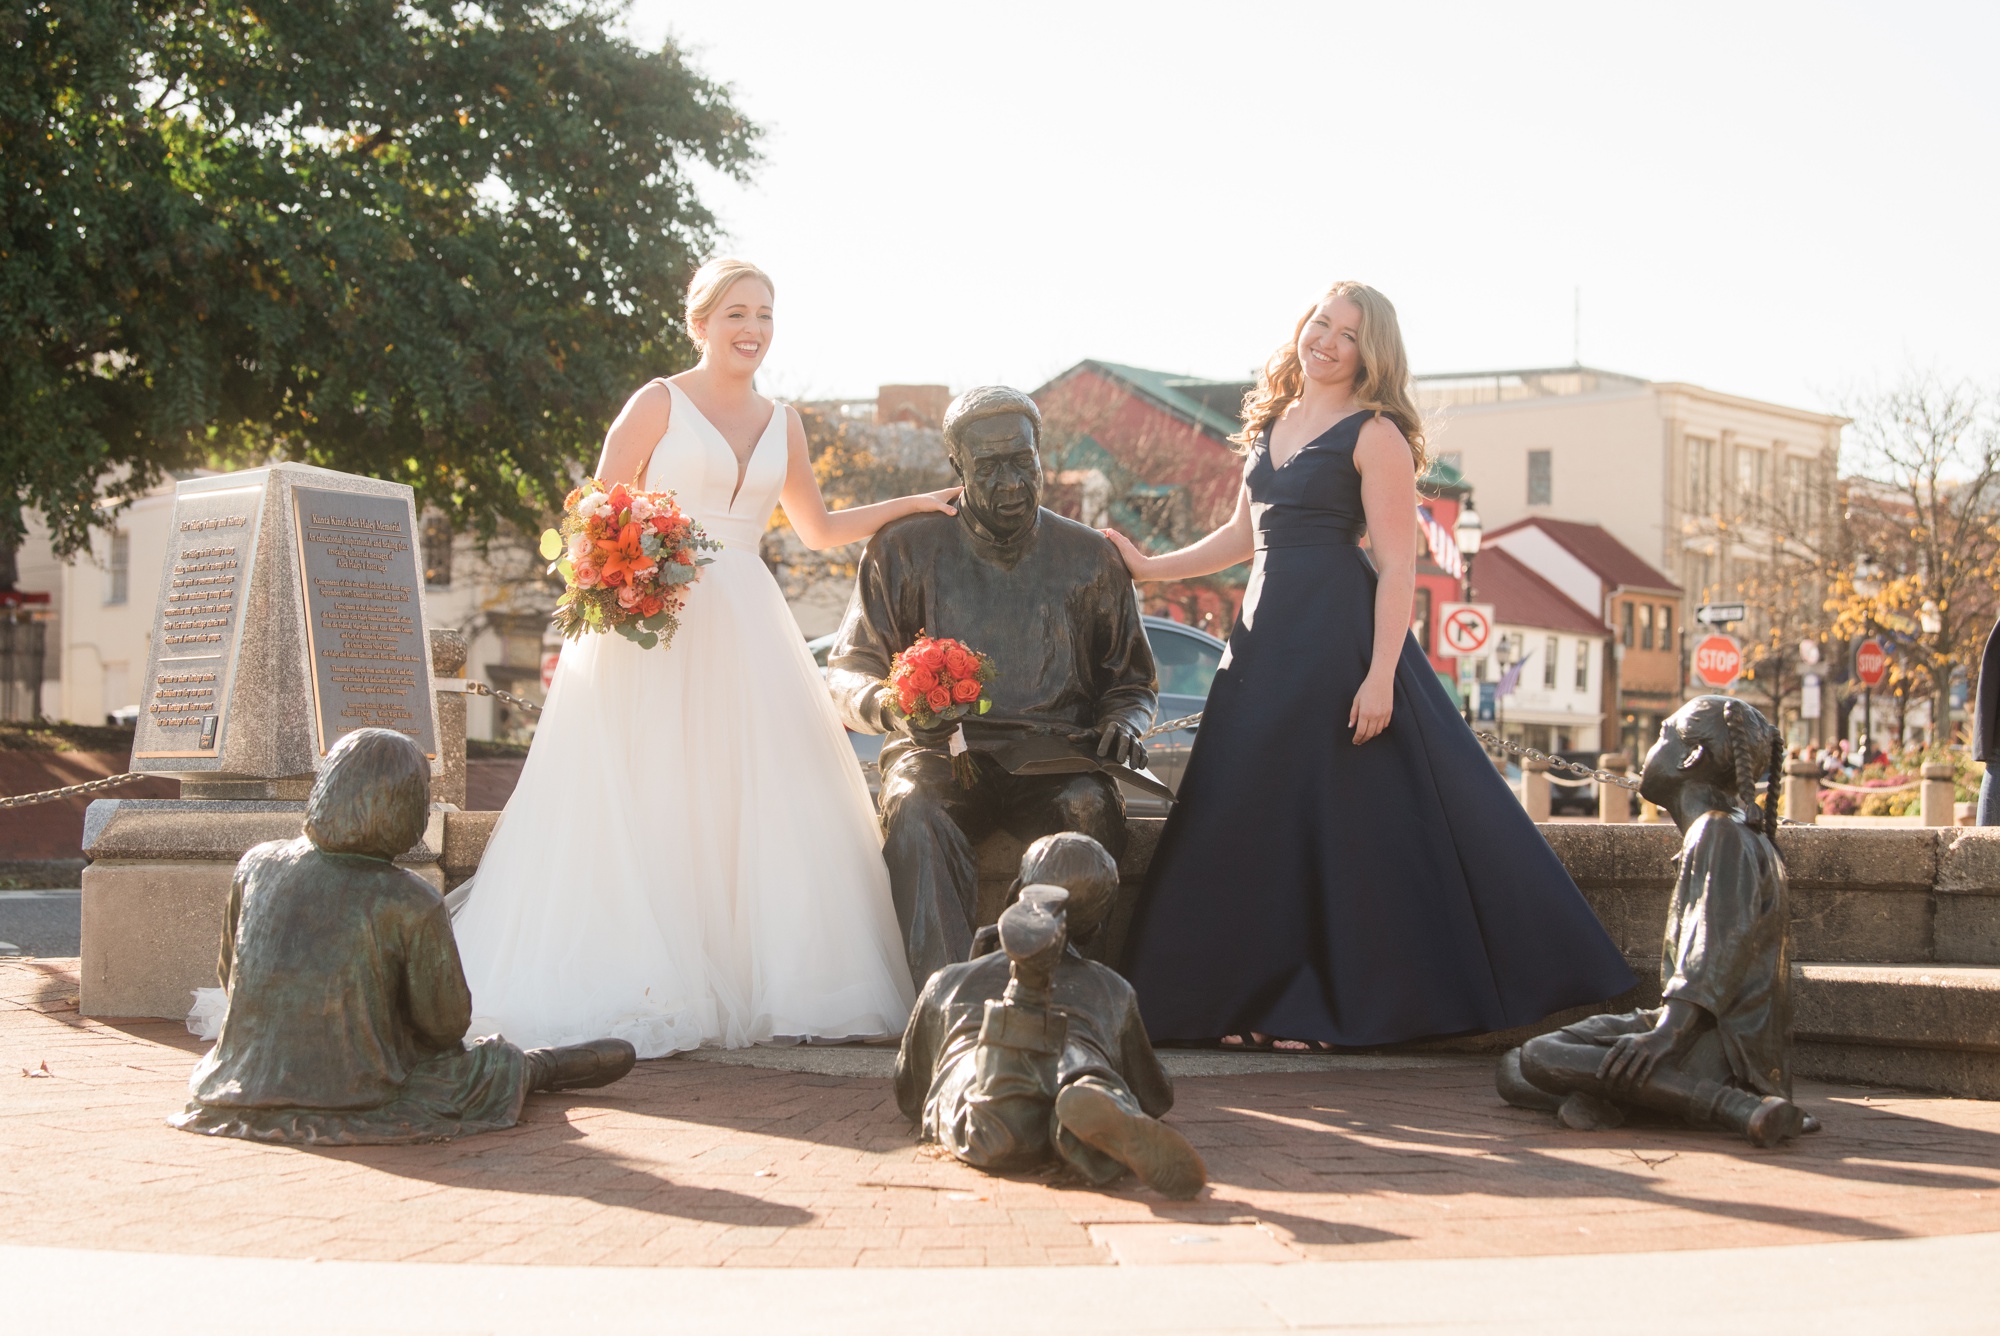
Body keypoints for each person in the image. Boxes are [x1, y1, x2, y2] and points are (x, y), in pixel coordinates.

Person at [447, 259, 959, 1057]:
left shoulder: (784, 420)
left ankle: (768, 983)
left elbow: (816, 527)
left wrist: (916, 503)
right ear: (700, 323)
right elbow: (590, 517)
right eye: (736, 315)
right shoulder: (657, 402)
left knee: (754, 792)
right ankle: (644, 979)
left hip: (749, 620)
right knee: (652, 786)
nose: (752, 329)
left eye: (764, 315)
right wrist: (633, 568)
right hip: (655, 623)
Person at [1106, 281, 1634, 1049]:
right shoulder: (1274, 422)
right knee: (1239, 816)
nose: (1325, 340)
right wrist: (1150, 569)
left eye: (1346, 334)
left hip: (1334, 641)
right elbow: (1241, 536)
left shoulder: (1375, 434)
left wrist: (1382, 673)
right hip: (1260, 644)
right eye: (1319, 322)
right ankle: (1233, 1004)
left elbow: (1395, 565)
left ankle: (1313, 1011)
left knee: (1328, 827)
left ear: (1369, 352)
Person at [827, 386, 1158, 988]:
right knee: (915, 810)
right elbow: (849, 669)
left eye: (1022, 461)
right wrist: (892, 706)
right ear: (957, 466)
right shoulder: (901, 549)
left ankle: (1054, 993)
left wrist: (1124, 723)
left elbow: (1131, 683)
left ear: (1041, 454)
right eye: (989, 466)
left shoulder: (1089, 558)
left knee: (1088, 805)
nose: (1011, 482)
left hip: (1054, 758)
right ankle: (950, 1000)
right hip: (938, 754)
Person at [174, 729, 636, 1145]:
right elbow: (444, 1026)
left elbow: (230, 974)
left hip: (236, 1079)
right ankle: (536, 1067)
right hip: (353, 1092)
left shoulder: (256, 863)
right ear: (406, 803)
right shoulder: (409, 898)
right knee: (486, 1064)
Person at [1496, 697, 1815, 1148]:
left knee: (1540, 1057)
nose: (1651, 746)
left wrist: (1666, 1035)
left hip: (1718, 1047)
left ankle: (1731, 1106)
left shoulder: (1717, 832)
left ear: (1691, 757)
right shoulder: (1734, 832)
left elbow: (1718, 947)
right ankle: (1643, 1099)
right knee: (1514, 1068)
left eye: (1663, 735)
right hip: (1693, 1030)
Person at [894, 833, 1204, 1198]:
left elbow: (909, 1092)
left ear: (1013, 895)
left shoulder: (949, 982)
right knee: (1086, 1066)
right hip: (1074, 1053)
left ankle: (1021, 1004)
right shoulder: (1112, 989)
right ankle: (1089, 1099)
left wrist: (972, 967)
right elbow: (1155, 1095)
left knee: (979, 1097)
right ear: (1094, 928)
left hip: (980, 1058)